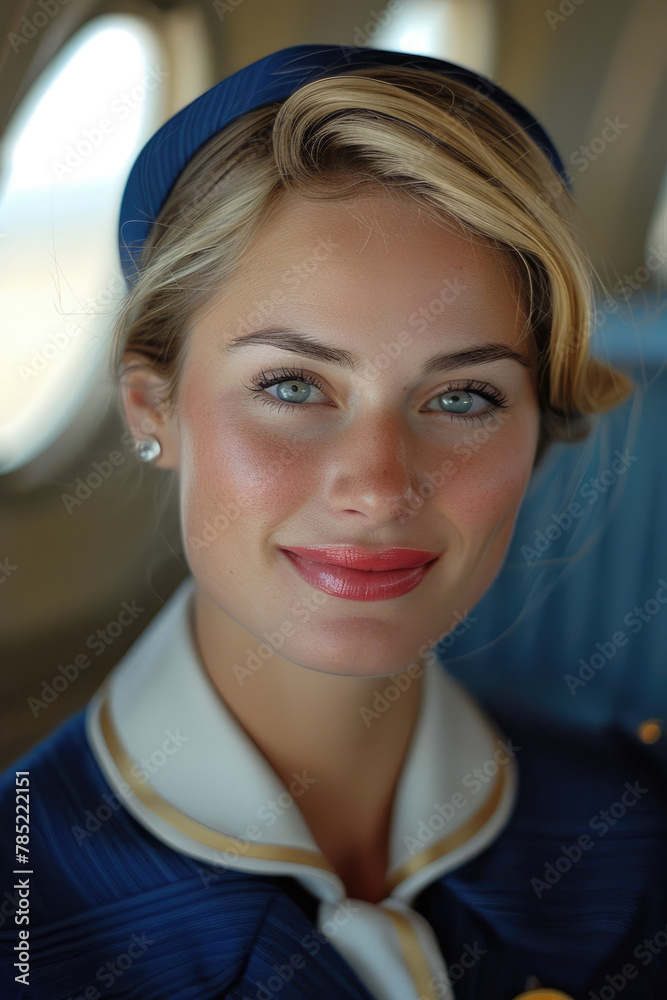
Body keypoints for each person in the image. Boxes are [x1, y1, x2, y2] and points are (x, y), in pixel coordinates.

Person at [1, 43, 665, 1000]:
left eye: (463, 397)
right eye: (291, 384)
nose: (378, 485)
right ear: (153, 410)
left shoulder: (633, 834)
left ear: (542, 429)